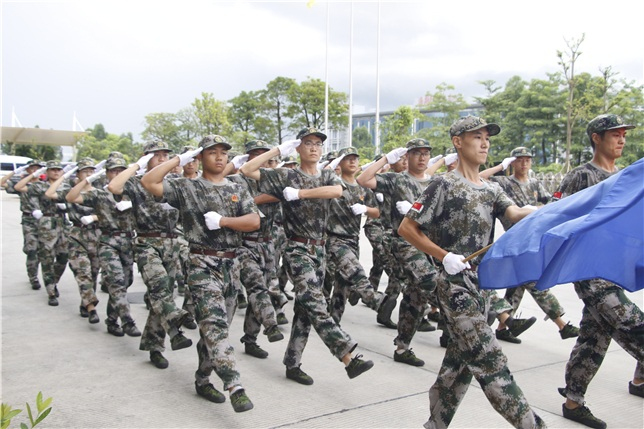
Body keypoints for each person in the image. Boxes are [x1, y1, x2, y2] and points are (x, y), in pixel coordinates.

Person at [398, 115, 545, 429]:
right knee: (489, 360)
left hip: (483, 286)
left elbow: (515, 215)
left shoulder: (491, 190)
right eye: (477, 136)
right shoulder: (442, 184)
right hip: (454, 286)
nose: (485, 142)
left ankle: (435, 423)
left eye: (487, 137)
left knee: (460, 363)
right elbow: (407, 227)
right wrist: (444, 255)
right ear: (457, 142)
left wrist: (543, 212)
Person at [239, 127, 375, 385]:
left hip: (320, 250)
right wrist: (278, 150)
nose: (313, 147)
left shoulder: (326, 175)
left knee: (304, 312)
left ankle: (293, 362)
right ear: (298, 148)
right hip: (297, 250)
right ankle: (348, 355)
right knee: (316, 303)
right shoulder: (286, 175)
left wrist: (300, 194)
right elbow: (247, 171)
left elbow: (336, 192)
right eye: (307, 143)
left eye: (317, 144)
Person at [141, 134, 258, 413]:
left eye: (223, 153)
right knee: (214, 325)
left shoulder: (237, 187)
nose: (219, 157)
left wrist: (225, 221)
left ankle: (203, 378)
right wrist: (178, 159)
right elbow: (149, 182)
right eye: (212, 152)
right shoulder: (186, 187)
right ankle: (234, 385)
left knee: (216, 330)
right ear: (200, 157)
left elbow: (254, 220)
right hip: (201, 264)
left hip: (231, 266)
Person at [556, 114, 644, 429]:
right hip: (591, 274)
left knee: (594, 338)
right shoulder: (581, 177)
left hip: (614, 270)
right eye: (615, 134)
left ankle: (573, 401)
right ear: (596, 137)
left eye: (624, 134)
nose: (621, 139)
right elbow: (557, 218)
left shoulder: (625, 177)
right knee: (637, 329)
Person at [107, 140, 194, 370]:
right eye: (157, 156)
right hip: (147, 242)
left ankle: (155, 346)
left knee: (162, 296)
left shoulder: (174, 182)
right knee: (159, 288)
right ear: (146, 157)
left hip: (172, 242)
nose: (163, 159)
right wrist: (137, 166)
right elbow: (114, 188)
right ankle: (175, 329)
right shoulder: (135, 183)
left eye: (166, 156)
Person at [357, 138, 444, 367]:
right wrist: (386, 159)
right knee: (429, 280)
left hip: (429, 244)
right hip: (404, 243)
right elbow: (362, 179)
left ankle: (402, 347)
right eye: (417, 153)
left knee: (415, 298)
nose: (422, 157)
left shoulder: (436, 184)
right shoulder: (397, 180)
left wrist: (417, 212)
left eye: (426, 153)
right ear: (407, 157)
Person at [480, 147, 580, 341]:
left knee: (518, 284)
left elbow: (551, 203)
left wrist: (536, 208)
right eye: (519, 160)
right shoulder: (504, 182)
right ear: (513, 162)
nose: (524, 163)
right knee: (534, 281)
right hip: (515, 241)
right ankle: (562, 324)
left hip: (533, 240)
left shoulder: (535, 184)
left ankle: (504, 326)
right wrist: (501, 166)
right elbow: (479, 178)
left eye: (527, 160)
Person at [66, 156, 141, 338]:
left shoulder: (133, 191)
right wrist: (87, 179)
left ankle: (112, 319)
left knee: (124, 282)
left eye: (120, 170)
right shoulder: (100, 193)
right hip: (108, 241)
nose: (117, 174)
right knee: (115, 280)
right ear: (106, 174)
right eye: (113, 171)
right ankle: (127, 319)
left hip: (128, 242)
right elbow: (71, 197)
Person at [227, 140, 285, 359]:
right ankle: (270, 324)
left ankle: (250, 339)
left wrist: (251, 201)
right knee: (256, 286)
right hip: (243, 244)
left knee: (262, 292)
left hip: (267, 243)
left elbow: (278, 195)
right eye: (256, 155)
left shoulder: (272, 178)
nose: (262, 159)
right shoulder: (236, 180)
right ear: (248, 157)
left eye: (265, 155)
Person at [324, 146, 392, 323]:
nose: (353, 161)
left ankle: (334, 320)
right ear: (340, 162)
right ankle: (373, 298)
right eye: (348, 158)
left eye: (355, 158)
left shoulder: (363, 189)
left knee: (343, 285)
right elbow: (322, 177)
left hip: (353, 240)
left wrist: (366, 209)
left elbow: (378, 212)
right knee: (355, 272)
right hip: (335, 239)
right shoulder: (334, 184)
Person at [45, 158, 102, 323]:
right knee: (82, 272)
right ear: (77, 174)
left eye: (91, 171)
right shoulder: (70, 191)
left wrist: (94, 217)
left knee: (93, 273)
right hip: (77, 235)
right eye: (85, 171)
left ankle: (85, 303)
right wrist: (63, 176)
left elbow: (111, 212)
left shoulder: (99, 192)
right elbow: (49, 193)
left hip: (96, 234)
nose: (89, 174)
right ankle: (92, 308)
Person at [15, 160, 69, 306]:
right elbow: (19, 187)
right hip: (46, 222)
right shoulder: (39, 185)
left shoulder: (66, 185)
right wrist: (34, 174)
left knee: (64, 256)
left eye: (59, 169)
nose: (56, 172)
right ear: (47, 171)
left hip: (62, 222)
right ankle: (51, 291)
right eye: (53, 170)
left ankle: (53, 281)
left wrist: (67, 206)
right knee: (47, 257)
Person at [2, 160, 46, 290]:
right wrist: (16, 171)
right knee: (32, 249)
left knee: (44, 250)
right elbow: (2, 182)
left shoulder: (44, 185)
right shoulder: (21, 184)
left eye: (37, 168)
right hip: (29, 220)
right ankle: (33, 277)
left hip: (44, 220)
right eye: (32, 168)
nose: (35, 171)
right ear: (27, 170)